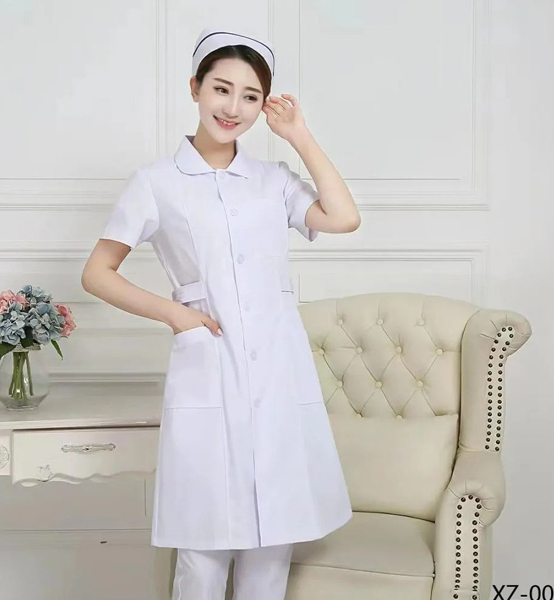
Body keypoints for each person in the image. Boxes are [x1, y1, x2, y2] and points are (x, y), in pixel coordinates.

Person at [82, 26, 361, 600]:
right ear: (195, 88)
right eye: (221, 89)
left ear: (264, 105)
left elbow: (343, 217)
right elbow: (97, 273)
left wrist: (299, 136)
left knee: (272, 540)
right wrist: (175, 314)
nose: (233, 107)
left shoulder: (272, 181)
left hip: (278, 367)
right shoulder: (156, 183)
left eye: (251, 96)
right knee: (203, 545)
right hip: (208, 360)